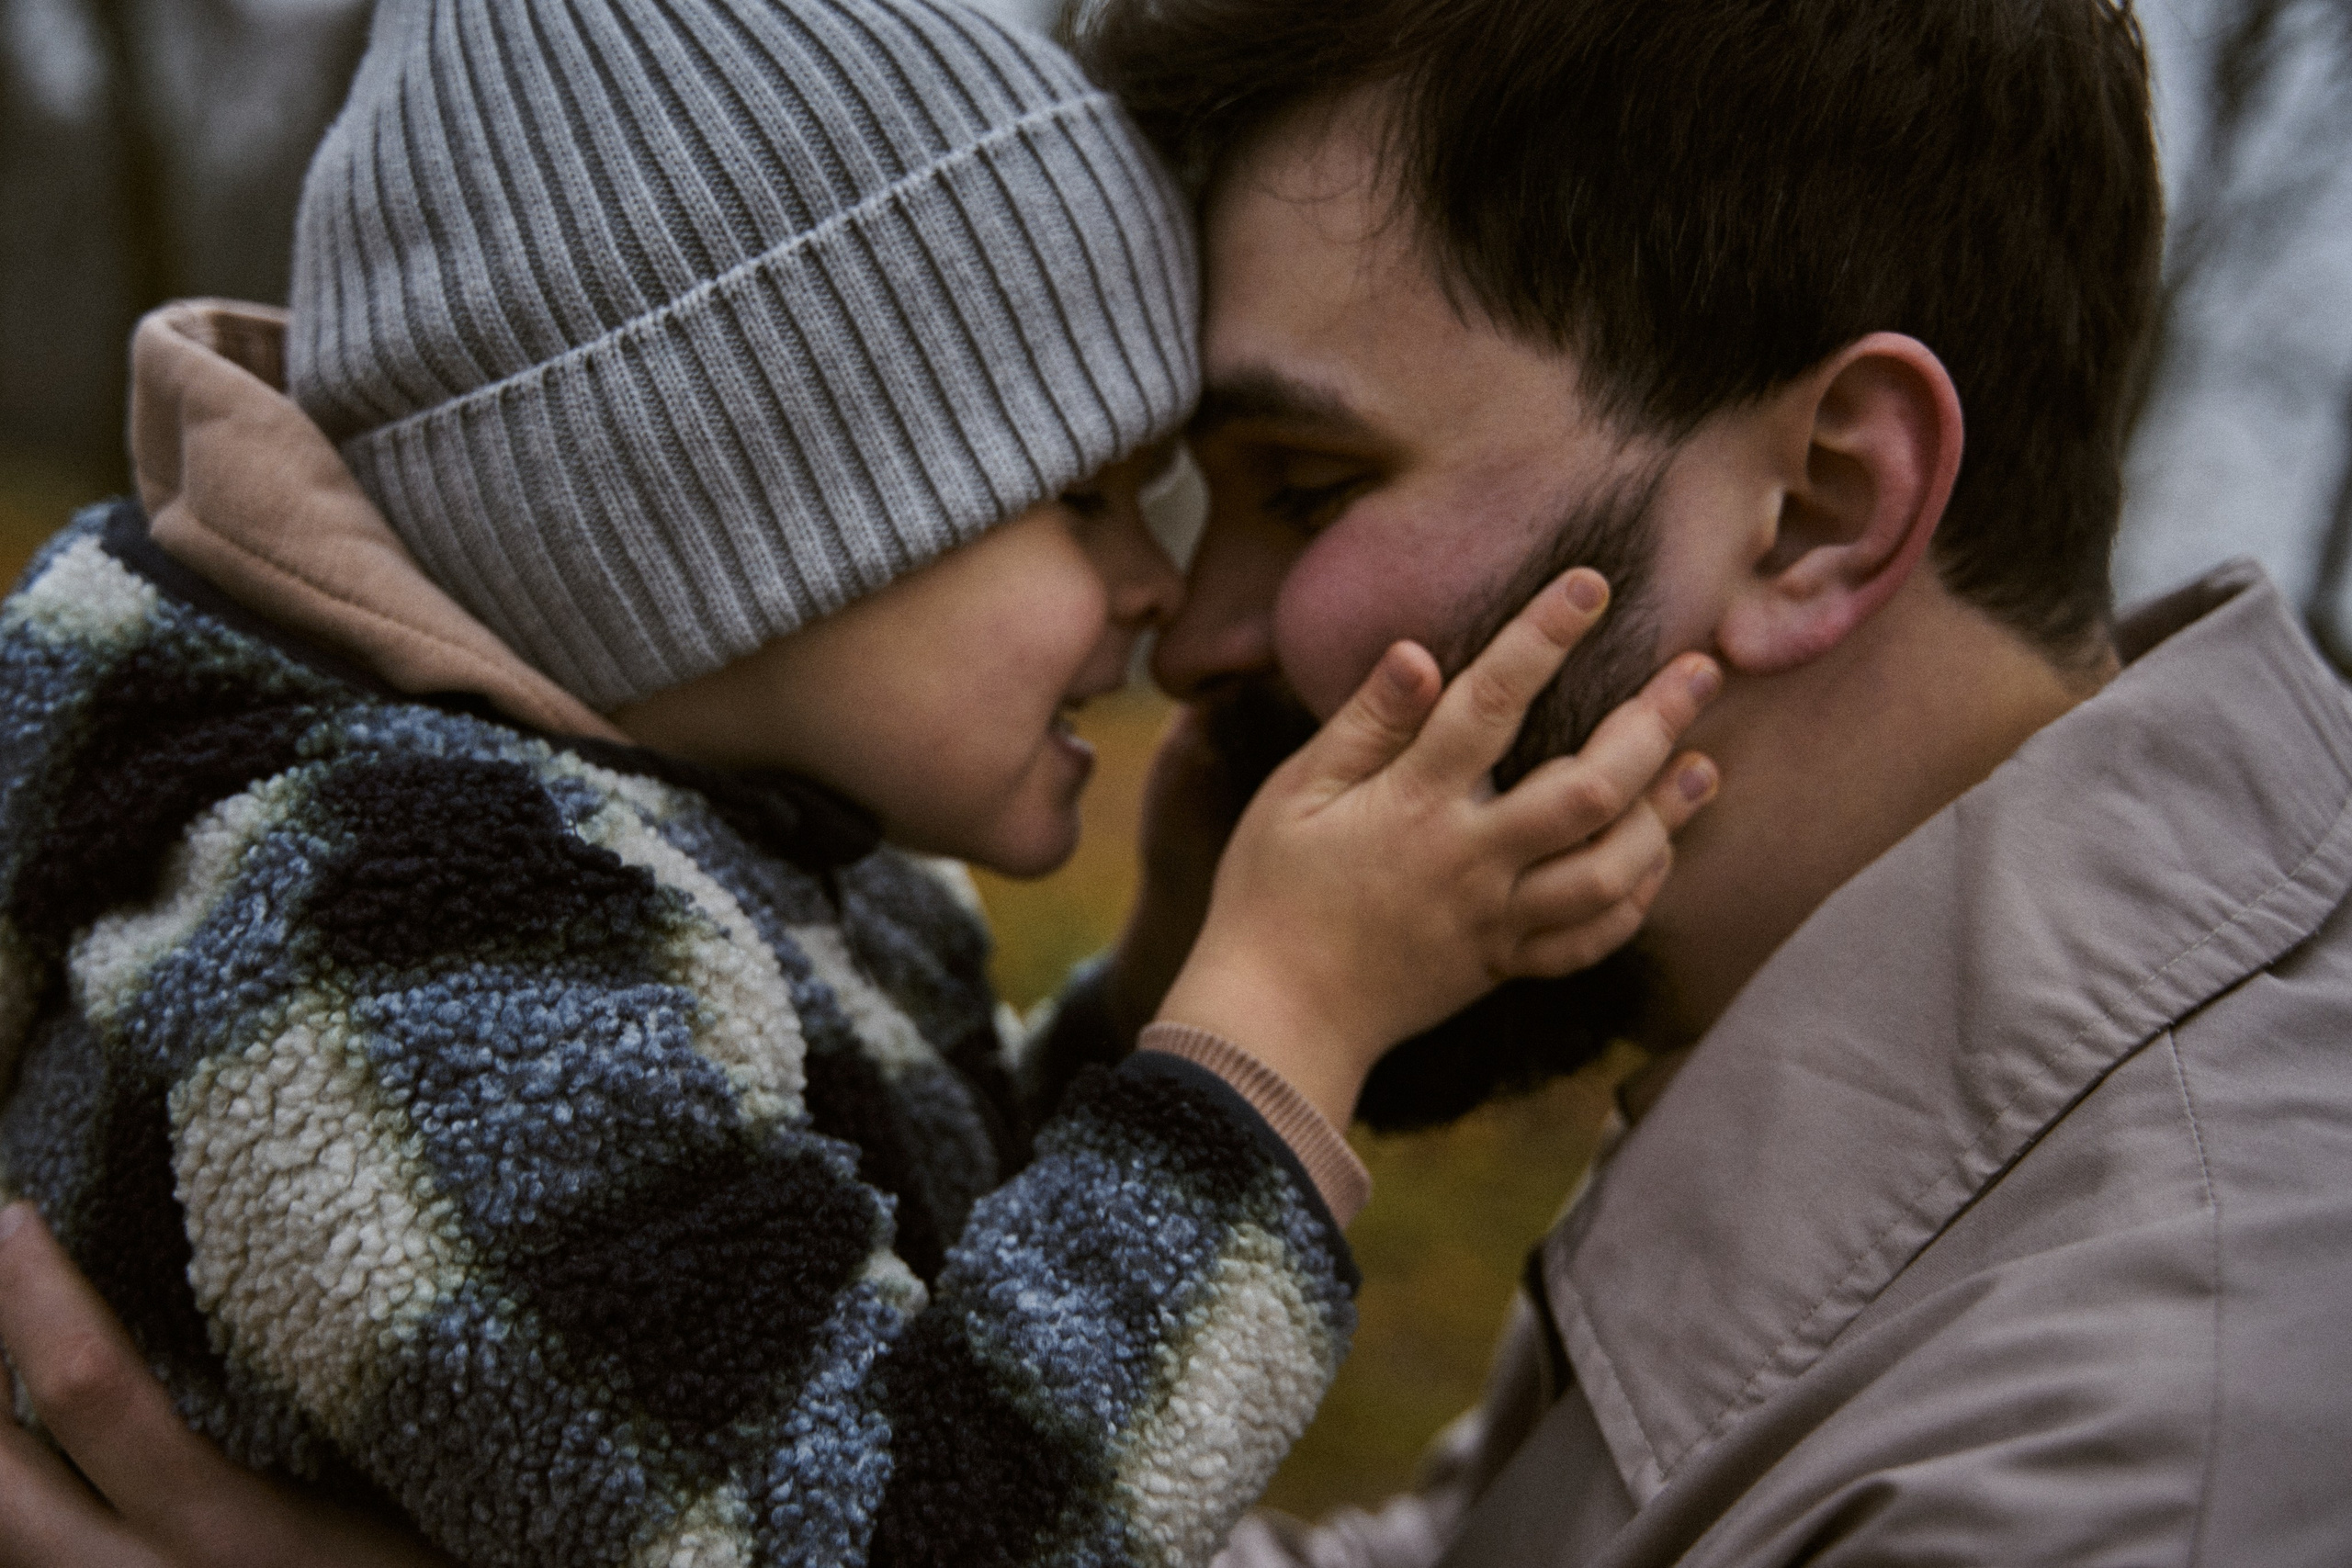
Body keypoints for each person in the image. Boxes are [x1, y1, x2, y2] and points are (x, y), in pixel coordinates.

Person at [15, 0, 2348, 1562]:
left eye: (1294, 482)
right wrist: (1193, 1028)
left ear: (1820, 504)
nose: (1196, 626)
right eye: (1115, 495)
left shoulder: (2137, 1453)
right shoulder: (1894, 1172)